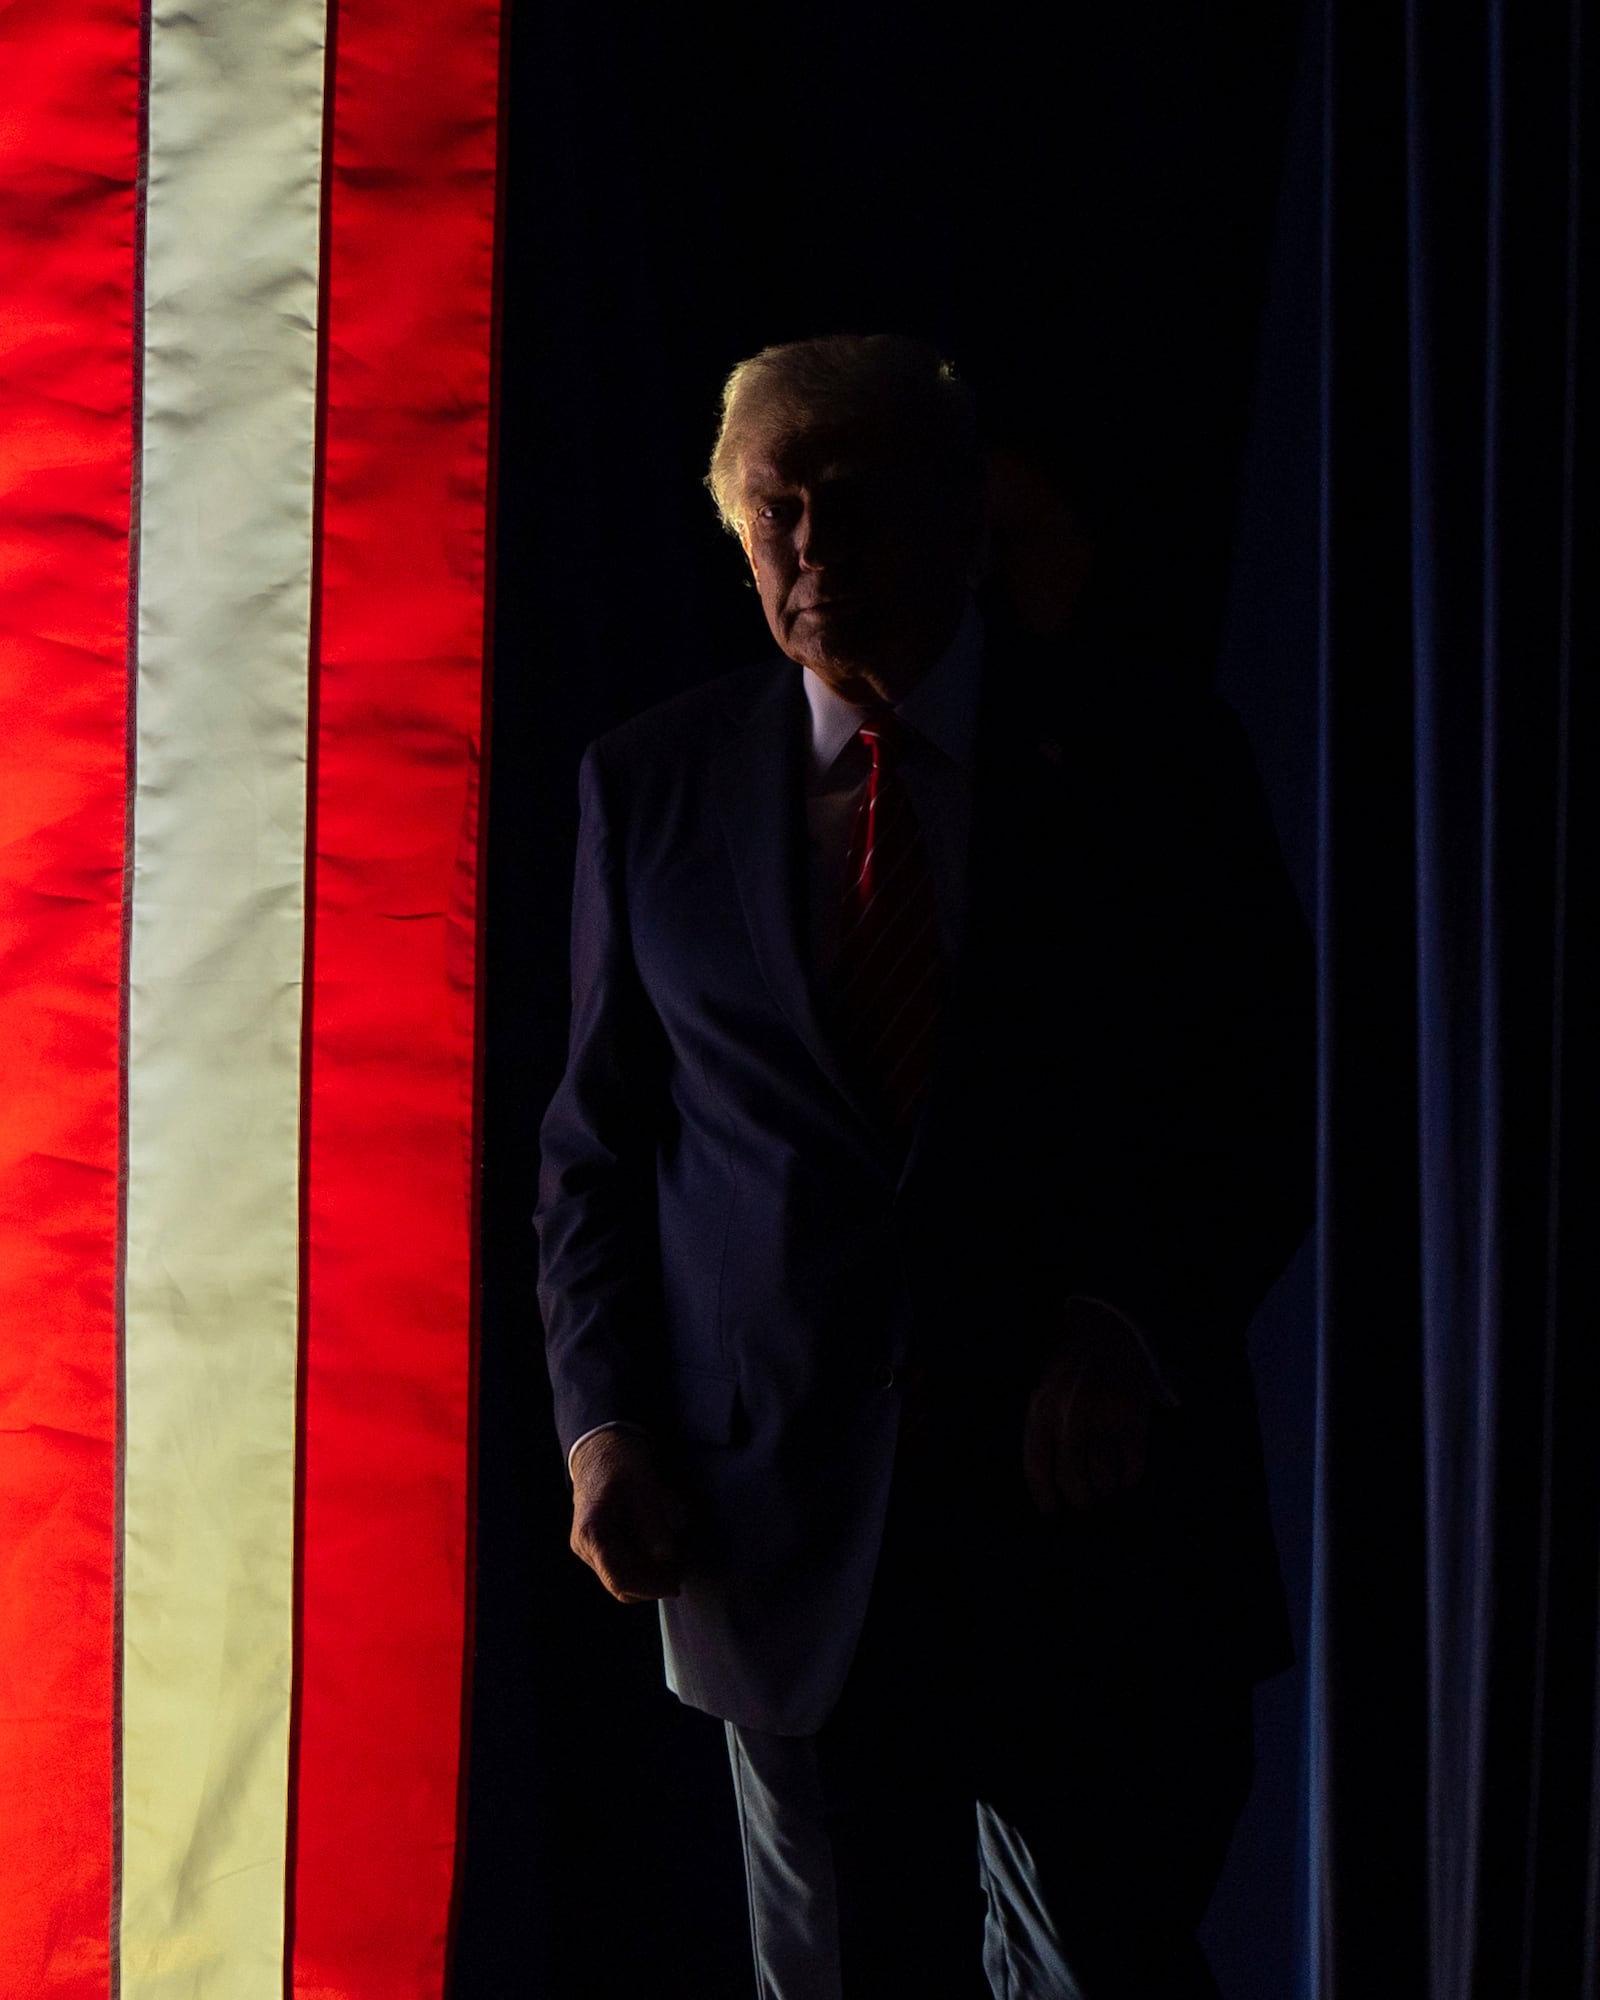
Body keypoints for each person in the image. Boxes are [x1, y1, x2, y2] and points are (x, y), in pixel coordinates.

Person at [535, 334, 1314, 1998]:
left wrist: (1121, 1323)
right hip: (779, 1531)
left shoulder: (1153, 762)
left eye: (855, 510)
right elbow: (594, 1153)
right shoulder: (650, 784)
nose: (812, 552)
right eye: (775, 515)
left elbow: (1252, 1099)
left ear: (966, 521)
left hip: (1091, 1525)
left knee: (1103, 1963)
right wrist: (602, 1429)